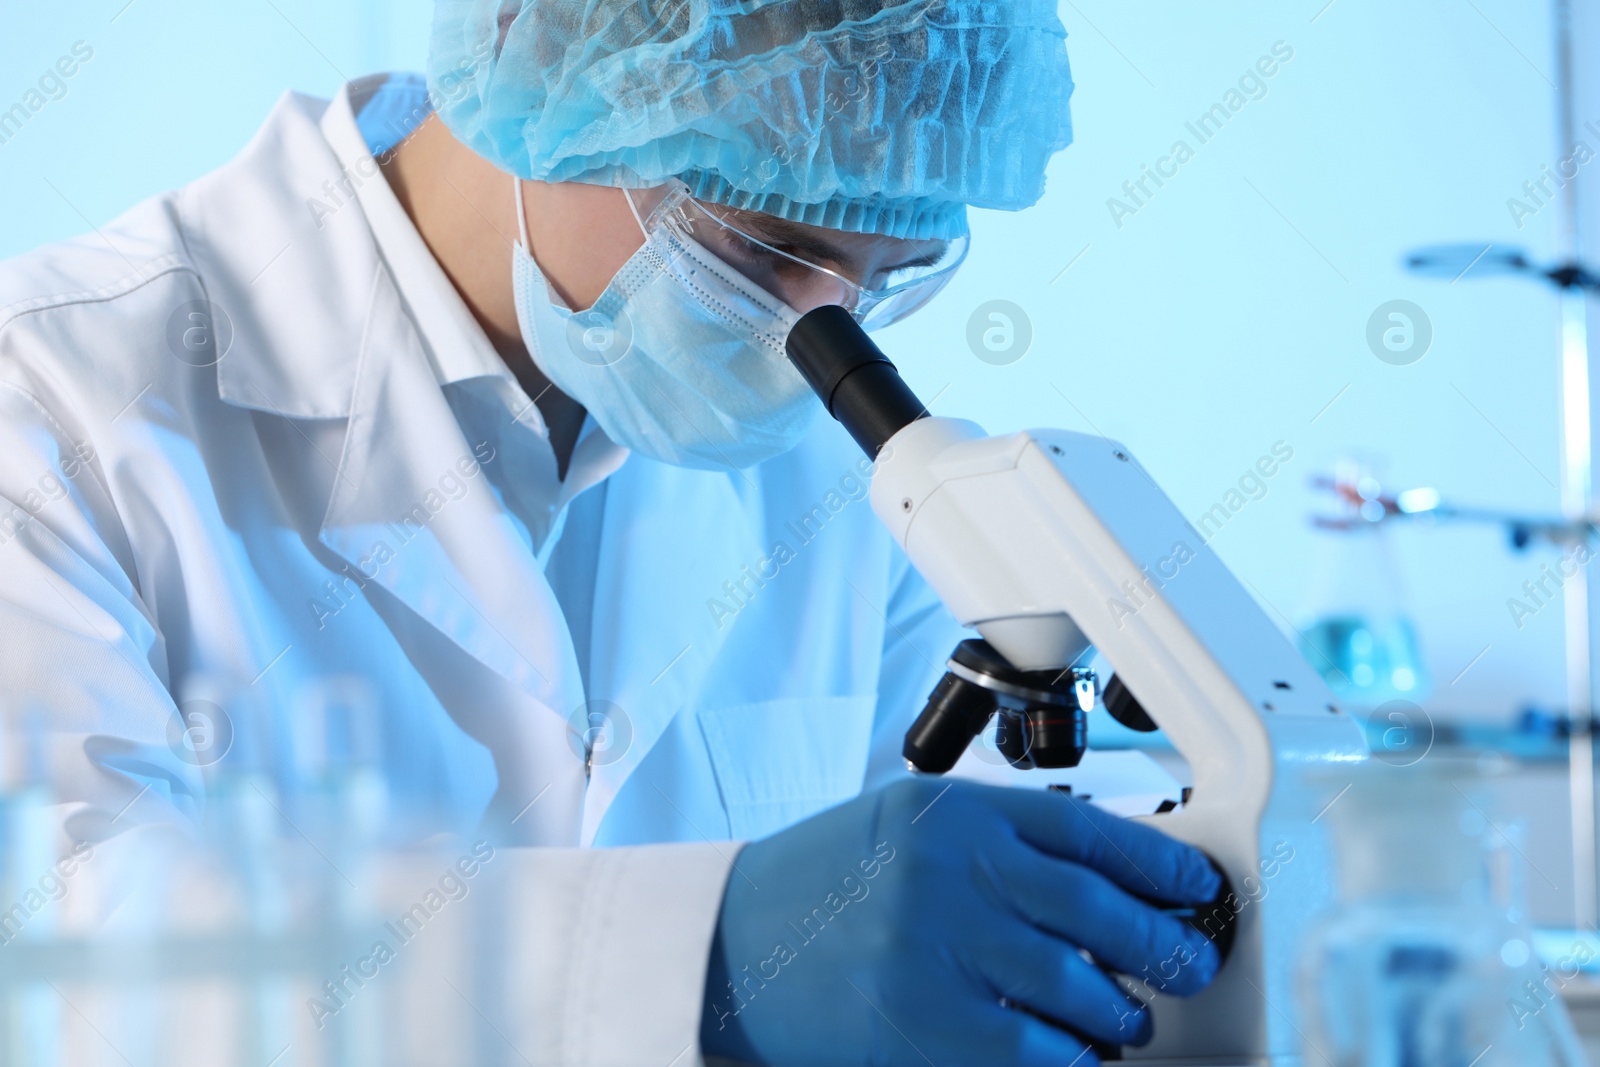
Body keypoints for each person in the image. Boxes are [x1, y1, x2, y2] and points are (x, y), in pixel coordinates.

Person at [0, 0, 1222, 1063]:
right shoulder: (52, 399)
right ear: (532, 37)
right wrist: (702, 954)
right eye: (763, 246)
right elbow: (58, 960)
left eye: (884, 269)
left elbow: (1031, 854)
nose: (814, 338)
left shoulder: (825, 480)